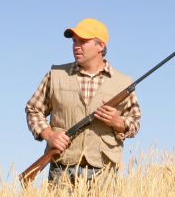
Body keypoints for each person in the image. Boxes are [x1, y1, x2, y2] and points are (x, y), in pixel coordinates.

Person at [25, 18, 141, 184]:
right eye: (74, 41)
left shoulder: (123, 83)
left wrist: (119, 122)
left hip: (103, 170)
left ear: (100, 46)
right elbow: (33, 109)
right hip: (62, 167)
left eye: (83, 41)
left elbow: (135, 122)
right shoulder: (56, 75)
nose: (76, 46)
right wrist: (49, 134)